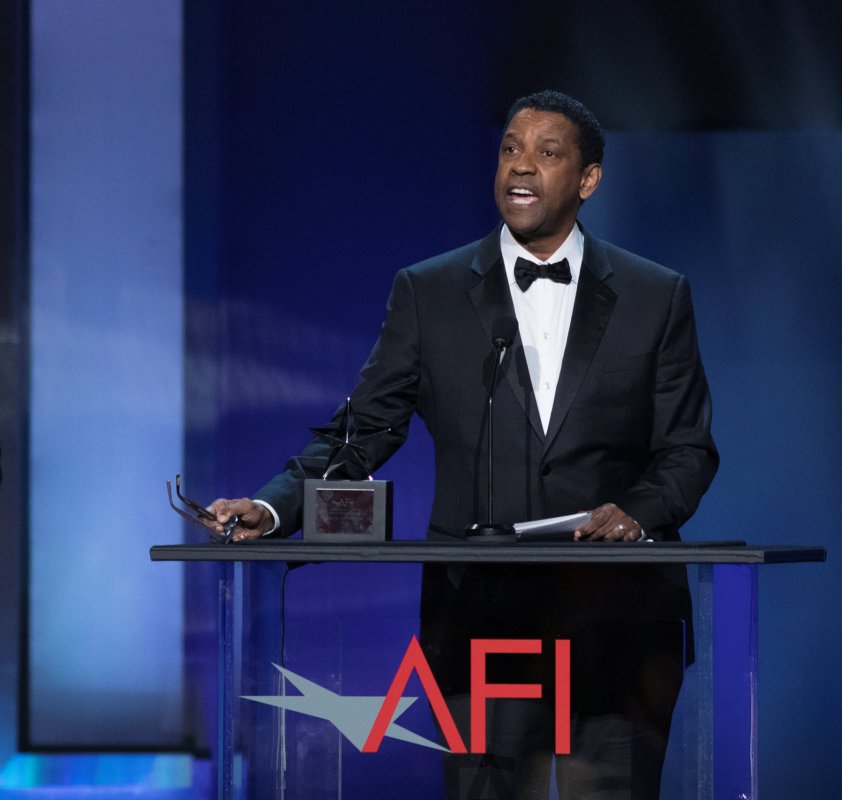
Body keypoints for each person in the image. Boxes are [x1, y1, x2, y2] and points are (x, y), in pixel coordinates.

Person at [205, 90, 718, 800]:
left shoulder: (654, 295)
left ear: (589, 179)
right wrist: (271, 508)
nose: (521, 166)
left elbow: (689, 448)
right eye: (510, 148)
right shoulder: (430, 291)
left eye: (547, 152)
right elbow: (361, 435)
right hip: (482, 620)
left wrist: (634, 514)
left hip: (619, 622)